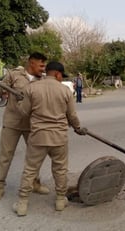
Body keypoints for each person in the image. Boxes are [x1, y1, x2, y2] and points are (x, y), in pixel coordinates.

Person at [13, 61, 87, 216]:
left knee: (30, 170)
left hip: (38, 137)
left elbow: (24, 113)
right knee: (60, 170)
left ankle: (22, 204)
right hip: (59, 138)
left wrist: (20, 101)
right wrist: (78, 128)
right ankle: (60, 200)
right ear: (58, 74)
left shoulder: (32, 88)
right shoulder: (65, 90)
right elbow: (72, 116)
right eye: (61, 76)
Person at [0, 52, 50, 203]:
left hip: (32, 125)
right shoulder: (14, 75)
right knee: (5, 157)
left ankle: (35, 183)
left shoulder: (44, 80)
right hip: (12, 123)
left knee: (34, 157)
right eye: (41, 65)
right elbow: (1, 92)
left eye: (44, 65)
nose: (43, 68)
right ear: (31, 63)